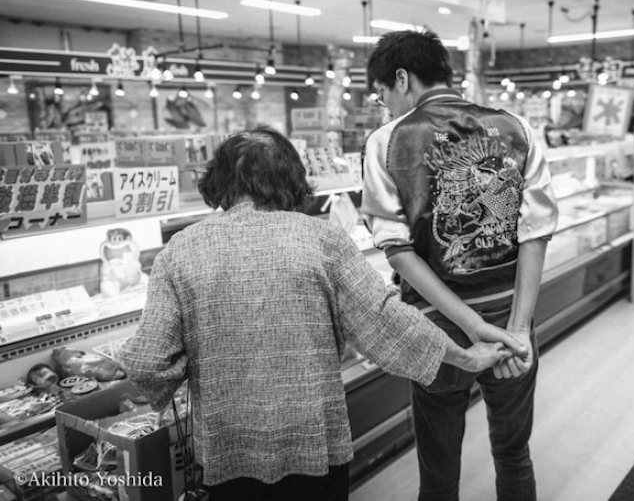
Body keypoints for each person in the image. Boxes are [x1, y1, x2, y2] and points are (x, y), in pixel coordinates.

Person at [120, 127, 518, 501]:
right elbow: (384, 320)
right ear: (292, 179)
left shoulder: (181, 249)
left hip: (229, 448)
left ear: (219, 181)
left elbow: (149, 362)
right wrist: (467, 357)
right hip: (313, 441)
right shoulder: (322, 239)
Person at [361, 30, 559, 501]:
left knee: (438, 467)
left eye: (382, 92)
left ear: (402, 78)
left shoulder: (388, 140)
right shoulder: (517, 128)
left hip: (438, 329)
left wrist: (471, 327)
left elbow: (398, 250)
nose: (385, 104)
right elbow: (536, 233)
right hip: (513, 317)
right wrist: (515, 329)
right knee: (514, 455)